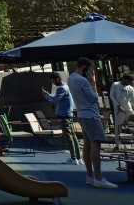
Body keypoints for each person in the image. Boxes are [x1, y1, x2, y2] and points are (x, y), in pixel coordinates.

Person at [68, 56, 117, 188]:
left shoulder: (71, 78)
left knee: (87, 144)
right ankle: (98, 177)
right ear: (85, 68)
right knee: (96, 144)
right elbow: (94, 99)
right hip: (91, 115)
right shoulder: (83, 81)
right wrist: (92, 83)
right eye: (89, 70)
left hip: (81, 114)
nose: (91, 73)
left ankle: (90, 175)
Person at [42, 71, 81, 163]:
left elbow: (55, 99)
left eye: (53, 81)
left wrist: (46, 95)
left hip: (64, 115)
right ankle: (78, 157)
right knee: (73, 136)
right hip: (68, 114)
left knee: (69, 137)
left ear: (57, 79)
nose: (53, 83)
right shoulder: (66, 87)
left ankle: (73, 158)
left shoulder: (62, 88)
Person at [108, 72, 134, 147]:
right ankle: (117, 145)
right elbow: (112, 96)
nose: (128, 83)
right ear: (123, 79)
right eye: (127, 81)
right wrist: (117, 105)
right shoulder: (115, 85)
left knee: (132, 124)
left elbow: (133, 99)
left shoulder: (130, 88)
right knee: (118, 126)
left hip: (128, 108)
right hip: (119, 109)